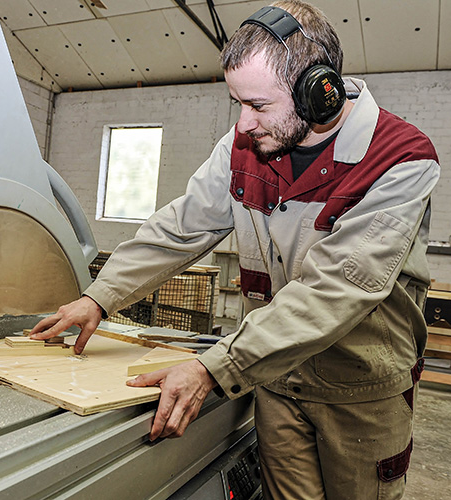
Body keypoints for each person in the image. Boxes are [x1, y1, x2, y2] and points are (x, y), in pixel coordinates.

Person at [30, 1, 440, 498]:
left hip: (360, 393)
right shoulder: (245, 145)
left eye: (259, 106)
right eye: (238, 103)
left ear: (319, 95)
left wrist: (213, 367)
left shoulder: (400, 161)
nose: (244, 123)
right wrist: (100, 296)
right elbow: (181, 227)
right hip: (275, 378)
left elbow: (336, 290)